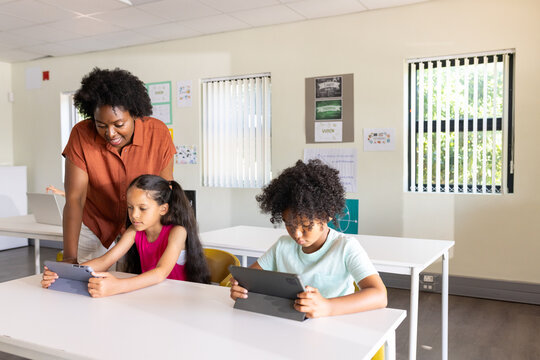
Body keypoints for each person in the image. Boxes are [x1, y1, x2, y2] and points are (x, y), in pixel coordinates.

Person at [230, 159, 387, 318]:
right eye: (289, 225)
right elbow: (249, 279)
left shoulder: (346, 247)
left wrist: (328, 307)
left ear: (327, 215)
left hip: (334, 325)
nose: (296, 234)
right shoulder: (283, 246)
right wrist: (241, 289)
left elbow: (380, 296)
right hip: (291, 325)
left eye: (306, 226)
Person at [62, 67, 176, 265]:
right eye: (101, 125)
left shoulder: (158, 133)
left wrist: (162, 241)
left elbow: (164, 192)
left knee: (131, 285)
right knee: (81, 284)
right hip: (95, 224)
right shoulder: (81, 134)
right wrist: (70, 257)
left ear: (134, 113)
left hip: (140, 225)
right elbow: (75, 198)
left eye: (119, 124)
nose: (111, 133)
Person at [42, 175, 210, 297]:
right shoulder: (134, 232)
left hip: (179, 301)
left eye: (142, 208)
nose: (134, 215)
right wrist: (62, 274)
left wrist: (118, 286)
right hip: (149, 296)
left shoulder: (178, 232)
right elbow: (104, 261)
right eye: (130, 207)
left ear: (163, 209)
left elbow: (160, 273)